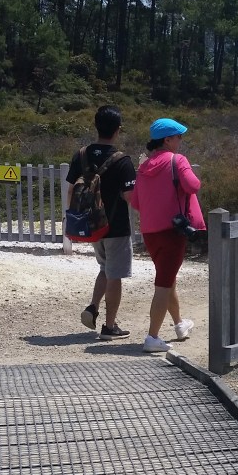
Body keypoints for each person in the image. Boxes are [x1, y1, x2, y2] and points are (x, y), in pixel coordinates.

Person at [128, 117, 202, 353]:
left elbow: (137, 202)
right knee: (163, 283)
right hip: (173, 231)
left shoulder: (144, 166)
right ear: (167, 139)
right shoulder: (177, 160)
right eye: (178, 137)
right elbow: (194, 185)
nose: (180, 141)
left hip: (150, 233)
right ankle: (152, 337)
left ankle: (179, 325)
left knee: (167, 279)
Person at [70, 105, 138, 341]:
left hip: (91, 226)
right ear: (118, 130)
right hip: (116, 226)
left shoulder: (81, 155)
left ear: (96, 126)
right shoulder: (123, 161)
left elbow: (71, 190)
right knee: (115, 274)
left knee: (104, 268)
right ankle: (109, 327)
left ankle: (93, 307)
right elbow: (130, 196)